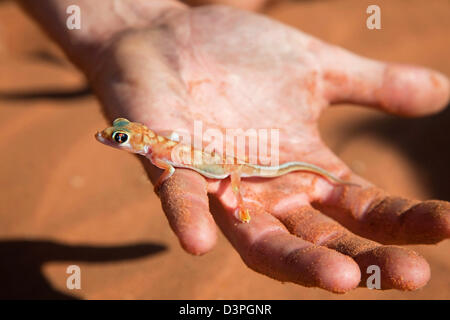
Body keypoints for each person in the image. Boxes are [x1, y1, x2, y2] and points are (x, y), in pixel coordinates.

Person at [18, 0, 450, 293]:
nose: (114, 140)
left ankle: (245, 198)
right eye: (119, 135)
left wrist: (233, 199)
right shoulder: (155, 147)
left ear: (136, 138)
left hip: (230, 168)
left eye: (120, 136)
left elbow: (175, 168)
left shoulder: (160, 154)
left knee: (233, 183)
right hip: (216, 158)